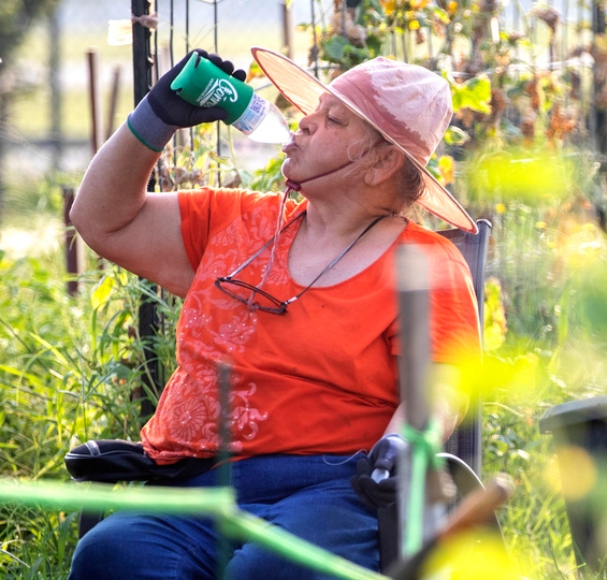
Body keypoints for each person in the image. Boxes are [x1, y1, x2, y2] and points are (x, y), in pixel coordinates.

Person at [67, 47, 481, 578]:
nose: (305, 121)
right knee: (113, 555)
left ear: (381, 162)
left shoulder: (424, 264)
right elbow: (99, 220)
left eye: (333, 119)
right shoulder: (235, 221)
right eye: (315, 110)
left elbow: (440, 388)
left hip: (335, 489)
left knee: (268, 570)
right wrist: (157, 115)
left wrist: (405, 443)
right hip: (201, 483)